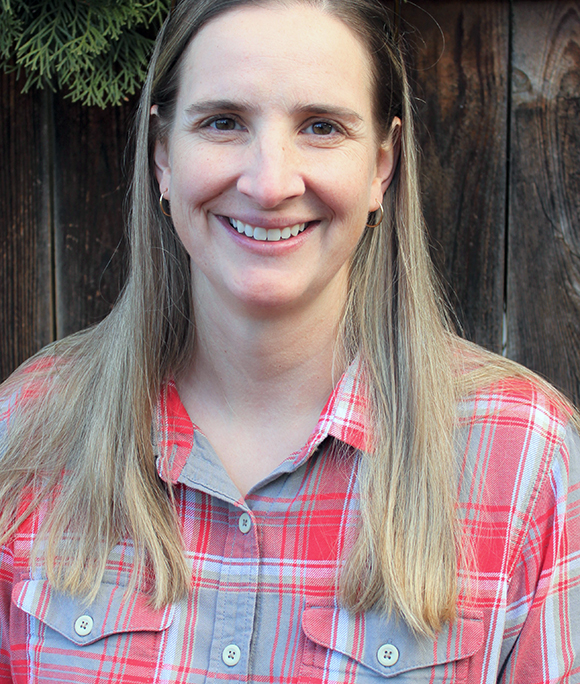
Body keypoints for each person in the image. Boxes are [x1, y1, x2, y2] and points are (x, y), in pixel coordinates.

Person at [0, 0, 578, 681]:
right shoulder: (26, 431)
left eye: (322, 127)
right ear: (162, 155)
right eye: (222, 122)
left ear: (381, 166)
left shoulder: (527, 460)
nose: (270, 183)